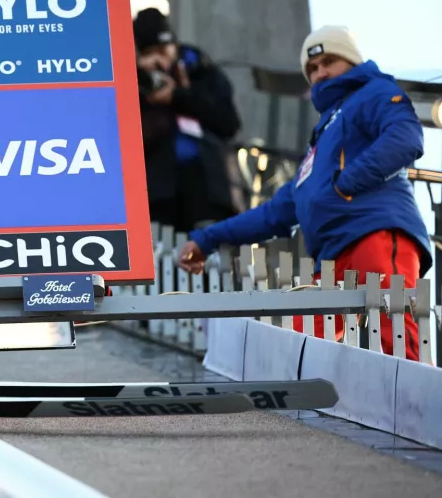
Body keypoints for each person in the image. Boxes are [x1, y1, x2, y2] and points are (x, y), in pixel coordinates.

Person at [178, 25, 433, 360]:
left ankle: (419, 411)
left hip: (376, 234)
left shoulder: (374, 91)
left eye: (330, 61)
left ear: (352, 61)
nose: (320, 72)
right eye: (312, 68)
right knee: (297, 341)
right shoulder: (323, 134)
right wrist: (207, 239)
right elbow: (275, 212)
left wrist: (344, 184)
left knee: (396, 340)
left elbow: (405, 138)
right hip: (332, 258)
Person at [133, 8, 242, 234]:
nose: (162, 61)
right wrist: (141, 80)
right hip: (156, 191)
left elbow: (228, 123)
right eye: (152, 53)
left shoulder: (200, 70)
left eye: (165, 50)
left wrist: (180, 96)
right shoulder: (133, 80)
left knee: (209, 257)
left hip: (208, 186)